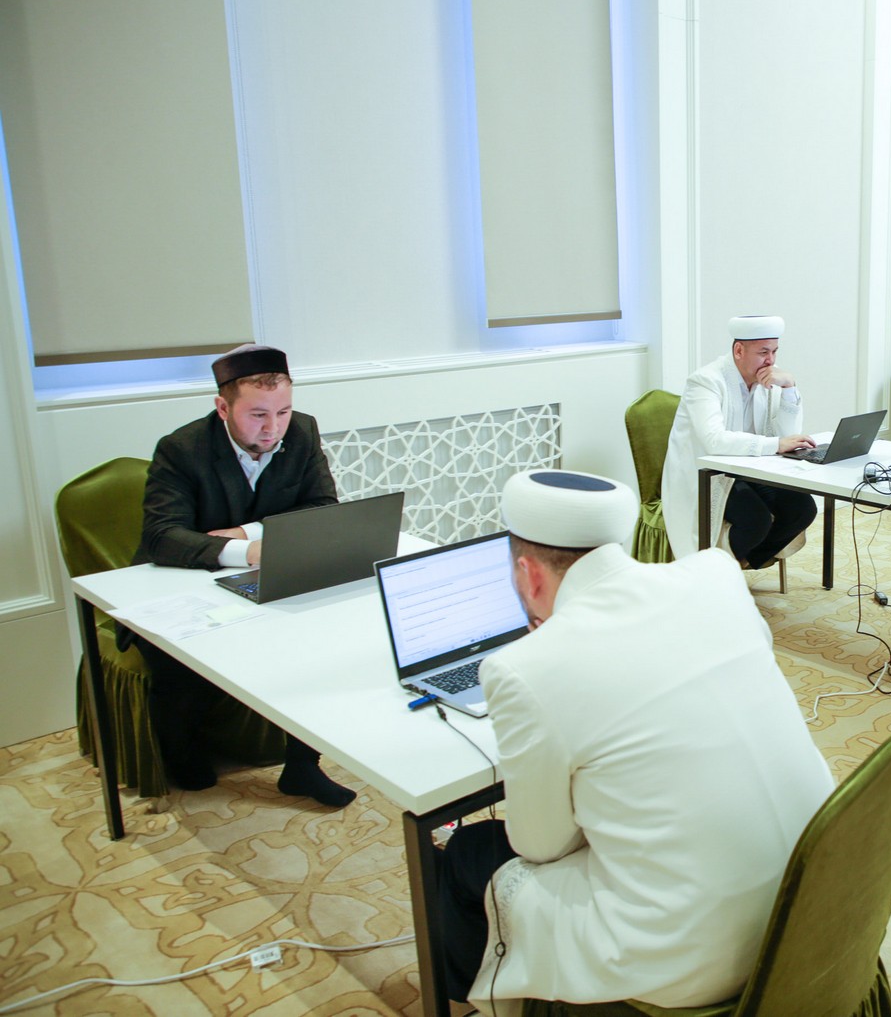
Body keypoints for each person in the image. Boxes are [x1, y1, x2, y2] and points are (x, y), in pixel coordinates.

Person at [437, 470, 835, 1013]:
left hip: (698, 952)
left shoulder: (525, 666)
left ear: (527, 575)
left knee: (469, 851)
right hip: (814, 898)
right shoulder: (715, 574)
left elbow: (540, 845)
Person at [131, 344, 355, 806]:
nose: (273, 428)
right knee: (178, 665)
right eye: (257, 415)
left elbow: (321, 507)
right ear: (222, 408)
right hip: (183, 582)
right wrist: (246, 551)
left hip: (258, 572)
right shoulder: (181, 449)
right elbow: (161, 536)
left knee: (317, 638)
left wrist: (248, 533)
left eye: (283, 412)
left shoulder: (303, 431)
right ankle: (182, 753)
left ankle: (302, 766)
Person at [660, 315, 818, 568]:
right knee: (756, 521)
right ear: (738, 351)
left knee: (802, 508)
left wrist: (789, 387)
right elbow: (714, 440)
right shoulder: (706, 381)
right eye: (763, 352)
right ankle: (718, 569)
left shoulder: (767, 380)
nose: (771, 360)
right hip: (707, 473)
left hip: (749, 467)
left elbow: (788, 433)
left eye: (774, 351)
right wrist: (775, 444)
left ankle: (741, 563)